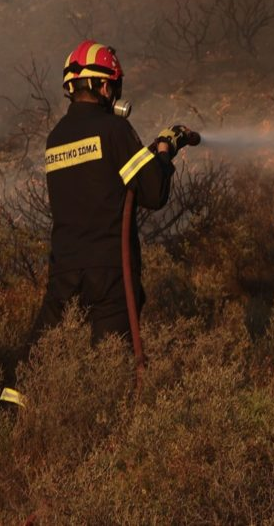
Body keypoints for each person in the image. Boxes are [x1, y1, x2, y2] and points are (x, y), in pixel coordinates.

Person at [28, 40, 192, 346]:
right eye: (114, 86)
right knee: (111, 360)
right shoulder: (114, 129)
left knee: (39, 357)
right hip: (109, 274)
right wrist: (165, 150)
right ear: (105, 87)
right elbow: (154, 193)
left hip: (64, 272)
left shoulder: (56, 138)